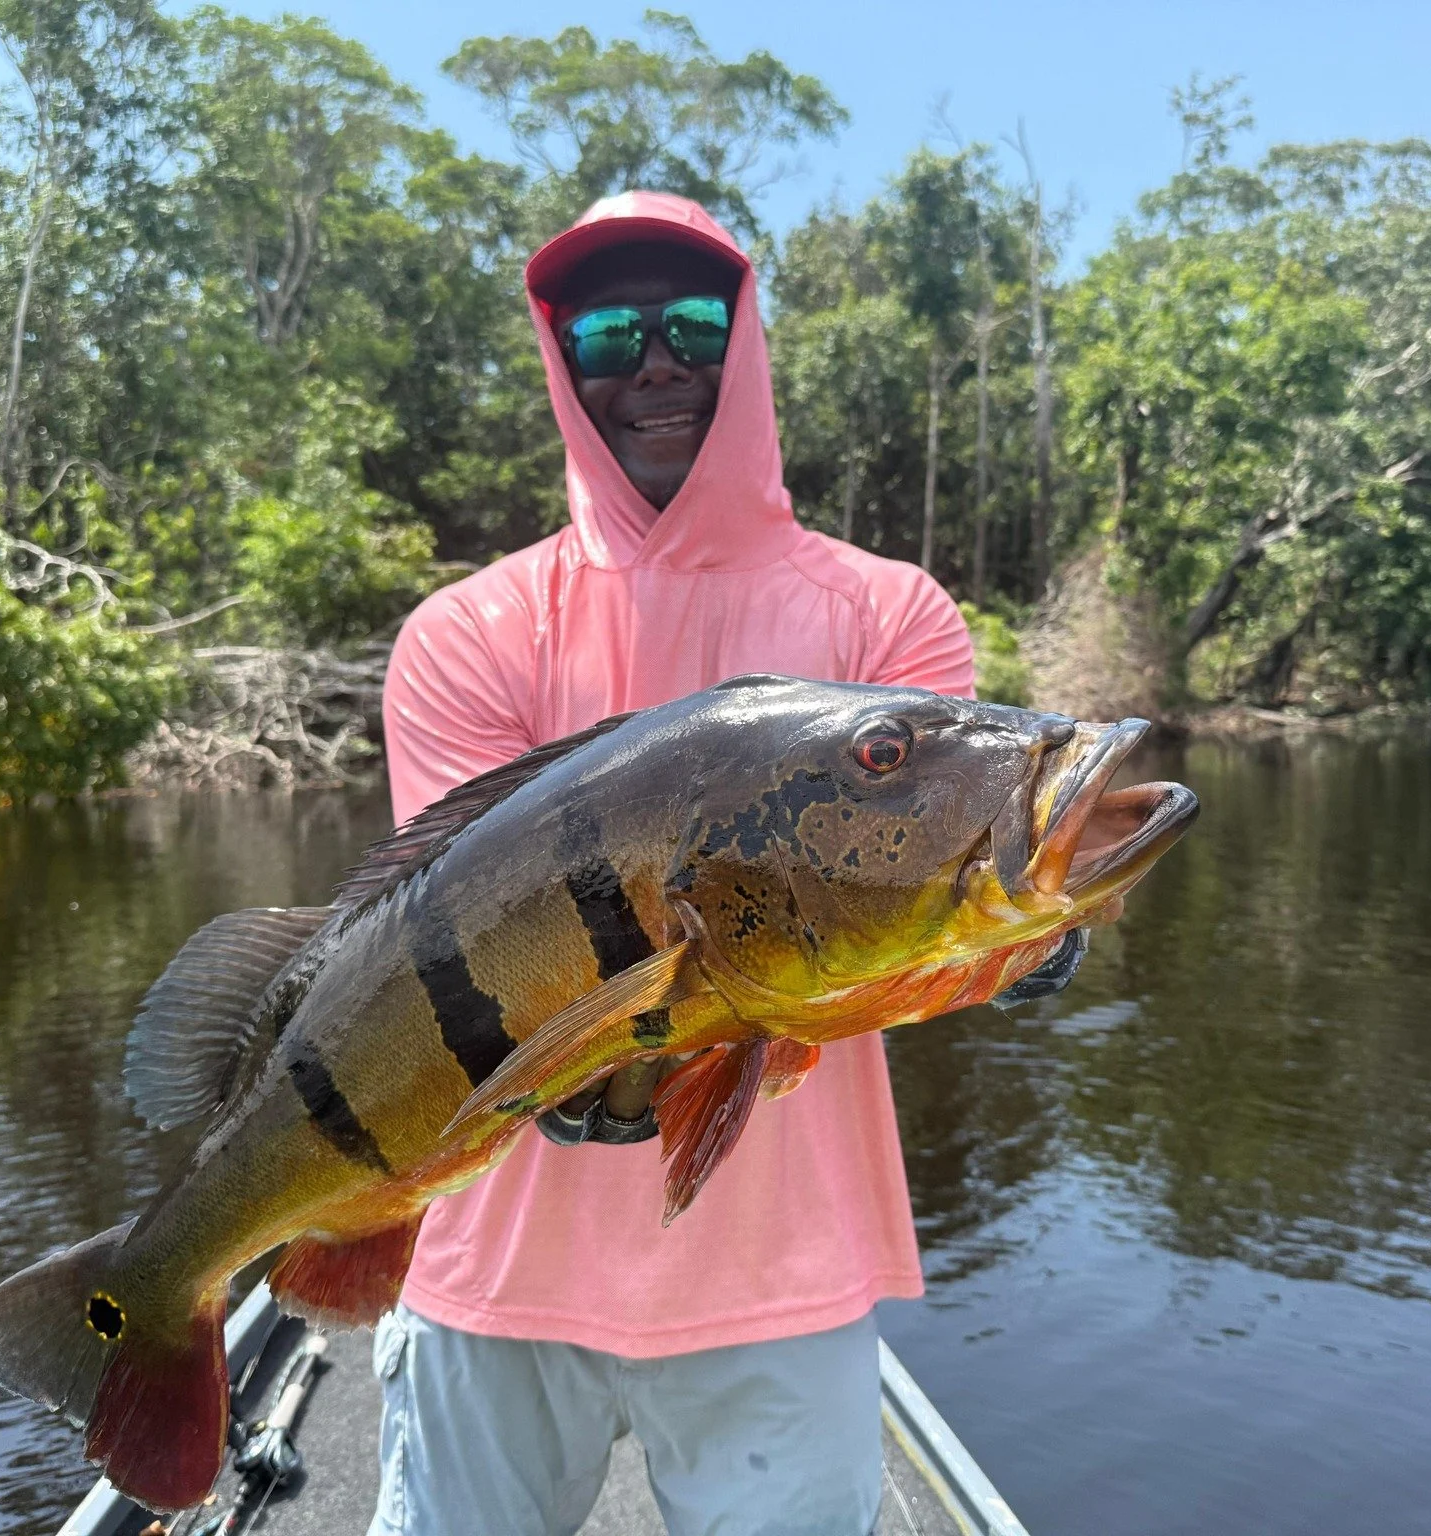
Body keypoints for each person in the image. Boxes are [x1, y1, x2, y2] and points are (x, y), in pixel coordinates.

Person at [371, 191, 1077, 1536]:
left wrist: (1029, 931)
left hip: (787, 1276)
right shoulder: (467, 632)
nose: (653, 363)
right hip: (498, 1268)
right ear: (559, 360)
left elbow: (931, 910)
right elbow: (455, 949)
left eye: (692, 323)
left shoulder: (886, 617)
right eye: (609, 335)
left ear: (745, 340)